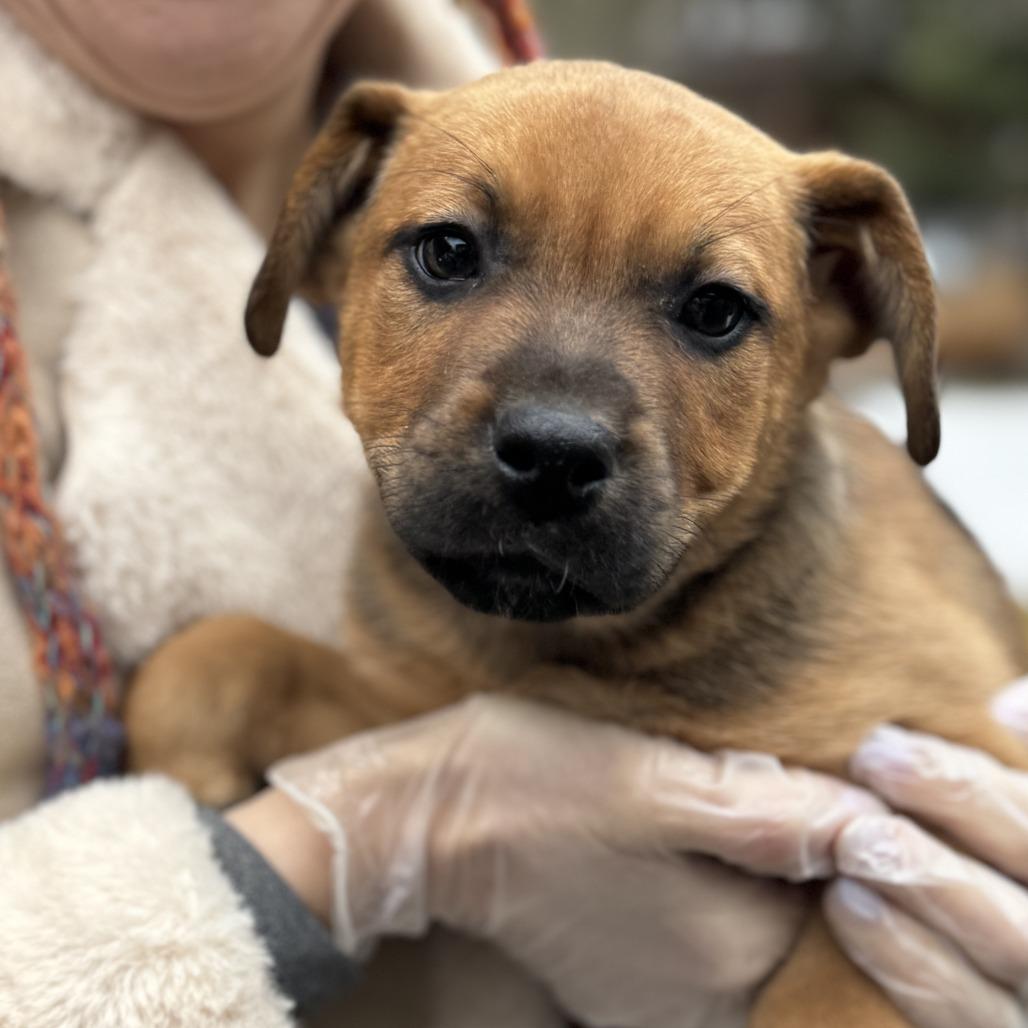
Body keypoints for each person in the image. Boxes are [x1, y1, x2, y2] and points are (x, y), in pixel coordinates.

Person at [0, 3, 1025, 1026]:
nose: (558, 425)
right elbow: (402, 731)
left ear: (839, 307)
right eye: (449, 255)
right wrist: (361, 828)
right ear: (318, 251)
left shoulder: (863, 645)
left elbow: (972, 855)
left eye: (710, 312)